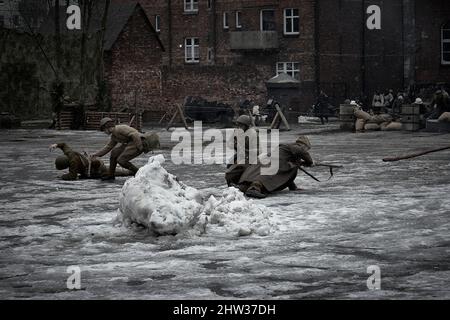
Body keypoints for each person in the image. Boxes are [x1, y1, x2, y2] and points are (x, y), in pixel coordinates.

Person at [233, 136, 314, 199]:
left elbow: (285, 175)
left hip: (267, 160)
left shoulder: (288, 150)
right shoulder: (295, 146)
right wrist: (310, 162)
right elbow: (302, 152)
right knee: (267, 175)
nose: (306, 150)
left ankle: (242, 187)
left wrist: (294, 187)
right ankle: (254, 189)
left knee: (258, 174)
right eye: (307, 148)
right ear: (303, 145)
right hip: (275, 162)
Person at [92, 118, 160, 181]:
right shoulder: (114, 136)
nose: (104, 132)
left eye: (104, 130)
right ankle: (111, 175)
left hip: (139, 142)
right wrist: (96, 154)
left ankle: (138, 172)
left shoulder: (119, 128)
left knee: (121, 160)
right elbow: (108, 147)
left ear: (107, 127)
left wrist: (139, 147)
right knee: (114, 153)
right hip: (130, 143)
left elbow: (135, 134)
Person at [50, 142, 133, 180]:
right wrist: (56, 145)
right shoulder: (69, 153)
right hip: (96, 163)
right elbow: (64, 145)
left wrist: (62, 177)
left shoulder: (73, 163)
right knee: (113, 167)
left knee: (119, 171)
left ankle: (134, 171)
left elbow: (72, 176)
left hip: (98, 169)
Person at [225, 115, 258, 186]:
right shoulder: (236, 132)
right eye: (238, 125)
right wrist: (234, 144)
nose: (239, 127)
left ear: (246, 126)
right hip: (240, 155)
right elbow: (229, 144)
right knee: (229, 165)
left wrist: (246, 150)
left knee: (244, 168)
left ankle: (245, 182)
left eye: (241, 125)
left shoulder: (253, 134)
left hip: (250, 157)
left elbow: (258, 150)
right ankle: (232, 183)